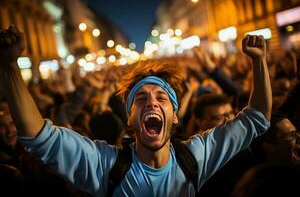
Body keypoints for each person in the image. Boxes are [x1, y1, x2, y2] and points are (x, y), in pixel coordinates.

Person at [0, 25, 272, 196]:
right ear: (129, 118)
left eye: (162, 98)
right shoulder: (104, 165)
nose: (151, 103)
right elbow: (36, 134)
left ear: (175, 115)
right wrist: (10, 66)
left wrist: (259, 62)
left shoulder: (196, 156)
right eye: (140, 99)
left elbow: (257, 117)